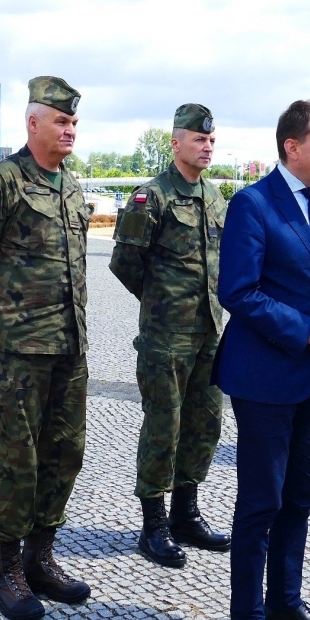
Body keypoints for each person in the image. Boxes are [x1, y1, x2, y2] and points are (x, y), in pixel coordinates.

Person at [215, 99, 310, 620]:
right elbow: (239, 291)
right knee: (261, 501)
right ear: (292, 146)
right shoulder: (252, 204)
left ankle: (285, 604)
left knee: (301, 495)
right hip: (264, 376)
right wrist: (307, 330)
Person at [0, 76, 93, 620]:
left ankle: (41, 556)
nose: (70, 129)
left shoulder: (72, 187)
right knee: (17, 455)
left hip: (69, 346)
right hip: (17, 348)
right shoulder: (1, 183)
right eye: (61, 120)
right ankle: (4, 566)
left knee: (65, 450)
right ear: (33, 123)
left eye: (74, 121)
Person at [110, 103, 231, 569]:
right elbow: (125, 262)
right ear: (175, 142)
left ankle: (186, 512)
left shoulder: (216, 197)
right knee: (164, 425)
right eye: (198, 139)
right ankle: (154, 524)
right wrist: (161, 301)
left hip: (211, 333)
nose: (206, 146)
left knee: (205, 424)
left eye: (211, 140)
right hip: (166, 336)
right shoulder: (151, 197)